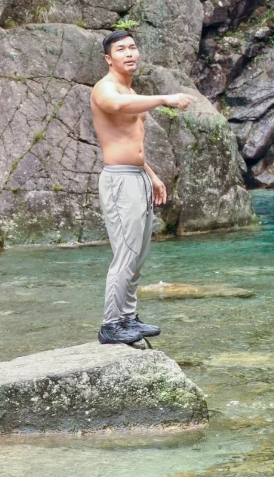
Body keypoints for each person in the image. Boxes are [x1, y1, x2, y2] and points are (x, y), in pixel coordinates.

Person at [89, 29, 193, 345]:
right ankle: (110, 325)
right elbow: (118, 108)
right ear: (109, 58)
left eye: (133, 47)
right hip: (119, 179)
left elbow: (132, 141)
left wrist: (151, 174)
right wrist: (165, 99)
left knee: (138, 255)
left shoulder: (132, 92)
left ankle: (128, 318)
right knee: (125, 254)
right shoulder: (104, 89)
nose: (130, 53)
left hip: (138, 178)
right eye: (121, 49)